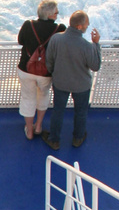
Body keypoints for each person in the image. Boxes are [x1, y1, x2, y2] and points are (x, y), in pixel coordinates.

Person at [42, 10, 102, 150]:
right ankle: (78, 138)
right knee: (81, 112)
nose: (87, 27)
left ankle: (54, 140)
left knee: (58, 111)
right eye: (86, 25)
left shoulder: (56, 39)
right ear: (80, 26)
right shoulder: (87, 46)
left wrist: (55, 73)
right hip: (81, 86)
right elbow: (95, 66)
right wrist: (96, 45)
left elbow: (49, 61)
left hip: (60, 82)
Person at [16, 0, 66, 139]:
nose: (57, 14)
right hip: (46, 72)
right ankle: (38, 126)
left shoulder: (28, 25)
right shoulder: (60, 29)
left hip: (26, 69)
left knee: (28, 98)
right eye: (56, 12)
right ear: (50, 15)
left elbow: (21, 41)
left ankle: (29, 131)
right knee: (43, 95)